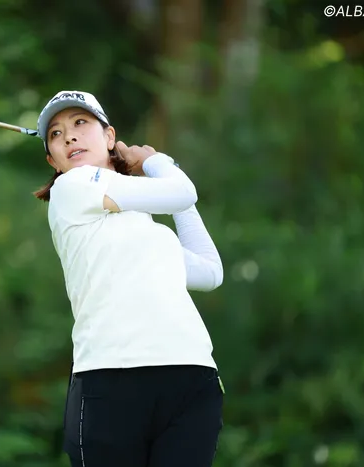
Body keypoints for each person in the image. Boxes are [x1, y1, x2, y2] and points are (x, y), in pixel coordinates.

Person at [33, 91, 225, 467]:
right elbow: (182, 190)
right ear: (53, 161)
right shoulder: (70, 189)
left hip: (190, 377)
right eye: (56, 134)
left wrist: (167, 185)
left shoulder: (150, 231)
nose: (69, 136)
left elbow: (210, 270)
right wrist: (155, 162)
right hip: (111, 380)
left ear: (110, 136)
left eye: (80, 123)